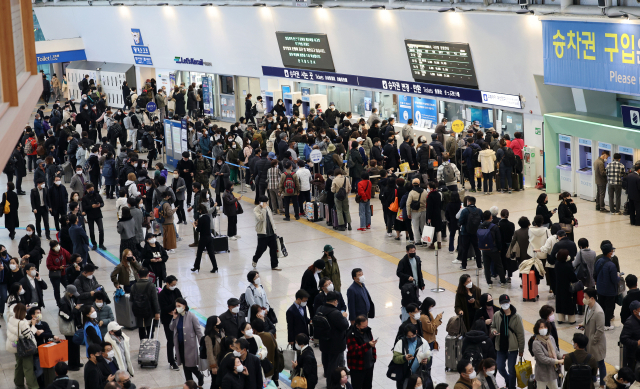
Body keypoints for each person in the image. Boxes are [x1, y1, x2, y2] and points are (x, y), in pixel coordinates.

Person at [490, 295, 525, 389]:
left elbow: (521, 334)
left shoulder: (516, 317)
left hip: (512, 348)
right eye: (503, 303)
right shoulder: (497, 315)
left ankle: (512, 387)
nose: (505, 305)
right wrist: (493, 331)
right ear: (500, 304)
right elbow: (493, 326)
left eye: (506, 302)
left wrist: (521, 349)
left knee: (511, 369)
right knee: (500, 367)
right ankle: (508, 379)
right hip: (500, 347)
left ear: (509, 302)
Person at [316, 291, 350, 386]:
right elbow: (345, 325)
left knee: (326, 362)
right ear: (335, 301)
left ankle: (328, 378)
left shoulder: (320, 309)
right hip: (335, 345)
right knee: (333, 365)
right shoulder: (335, 313)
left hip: (324, 342)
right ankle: (331, 384)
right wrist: (343, 317)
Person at [576, 287, 607, 387]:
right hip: (588, 339)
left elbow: (600, 330)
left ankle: (602, 384)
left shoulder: (599, 312)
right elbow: (587, 320)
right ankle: (593, 380)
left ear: (592, 298)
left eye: (586, 297)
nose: (583, 299)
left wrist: (593, 341)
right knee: (590, 361)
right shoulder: (587, 307)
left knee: (600, 362)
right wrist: (583, 325)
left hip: (596, 342)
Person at [170, 298, 205, 386]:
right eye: (176, 306)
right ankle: (190, 383)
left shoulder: (191, 316)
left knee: (190, 365)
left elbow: (198, 331)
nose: (177, 308)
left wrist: (202, 344)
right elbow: (171, 327)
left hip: (190, 345)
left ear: (184, 306)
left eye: (179, 306)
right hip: (180, 345)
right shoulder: (177, 316)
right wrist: (174, 318)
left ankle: (199, 375)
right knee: (185, 365)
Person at [6, 303, 39, 389]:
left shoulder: (11, 319)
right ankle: (33, 386)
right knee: (28, 367)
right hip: (25, 348)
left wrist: (29, 321)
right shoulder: (22, 324)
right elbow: (30, 335)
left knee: (19, 365)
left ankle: (18, 382)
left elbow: (21, 324)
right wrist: (34, 325)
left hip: (15, 346)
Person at [391, 323, 431, 389]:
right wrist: (404, 358)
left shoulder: (423, 342)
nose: (411, 338)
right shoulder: (400, 343)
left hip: (419, 374)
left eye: (413, 335)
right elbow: (395, 358)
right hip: (406, 375)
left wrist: (427, 360)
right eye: (408, 336)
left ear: (416, 332)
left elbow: (429, 355)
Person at [530, 319, 563, 389]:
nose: (543, 329)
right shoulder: (536, 343)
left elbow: (556, 351)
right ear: (537, 329)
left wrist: (562, 357)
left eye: (545, 327)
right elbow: (543, 359)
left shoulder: (550, 338)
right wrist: (558, 361)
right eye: (541, 327)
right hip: (542, 373)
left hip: (552, 371)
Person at [593, 243, 620, 329]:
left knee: (601, 306)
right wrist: (618, 277)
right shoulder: (611, 265)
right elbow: (614, 280)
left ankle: (600, 323)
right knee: (609, 307)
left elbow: (595, 274)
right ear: (609, 253)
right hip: (609, 290)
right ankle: (607, 324)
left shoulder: (598, 261)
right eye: (612, 250)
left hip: (600, 289)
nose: (612, 252)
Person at [346, 315, 377, 389]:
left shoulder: (368, 331)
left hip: (369, 365)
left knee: (368, 386)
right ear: (357, 326)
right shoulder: (351, 335)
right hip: (357, 368)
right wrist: (368, 345)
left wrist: (373, 357)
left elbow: (372, 345)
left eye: (366, 325)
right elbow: (355, 351)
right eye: (363, 326)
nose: (365, 327)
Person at [251, 196, 280, 271]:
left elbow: (271, 220)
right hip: (262, 233)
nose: (266, 204)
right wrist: (263, 209)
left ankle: (274, 265)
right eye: (264, 202)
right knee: (261, 249)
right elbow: (262, 218)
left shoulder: (268, 208)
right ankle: (255, 259)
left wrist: (274, 229)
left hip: (271, 233)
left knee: (273, 249)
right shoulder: (256, 209)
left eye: (266, 202)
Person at [397, 244, 425, 319]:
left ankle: (415, 316)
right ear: (407, 252)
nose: (413, 252)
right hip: (407, 287)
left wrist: (422, 283)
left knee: (416, 300)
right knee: (407, 302)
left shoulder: (417, 259)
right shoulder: (403, 262)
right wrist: (407, 277)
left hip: (415, 286)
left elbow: (419, 272)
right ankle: (405, 317)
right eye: (411, 251)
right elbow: (398, 273)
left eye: (414, 251)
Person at [478, 210, 506, 288]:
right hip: (493, 249)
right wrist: (499, 249)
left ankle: (489, 282)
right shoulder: (494, 226)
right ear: (491, 217)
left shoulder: (480, 226)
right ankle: (503, 281)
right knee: (499, 265)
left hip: (484, 249)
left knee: (486, 266)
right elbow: (498, 239)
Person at [457, 196, 483, 270]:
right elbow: (482, 220)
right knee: (477, 249)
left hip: (465, 233)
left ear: (469, 202)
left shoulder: (465, 211)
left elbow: (460, 221)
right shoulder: (479, 211)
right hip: (476, 233)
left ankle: (464, 266)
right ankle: (479, 265)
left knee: (465, 249)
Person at [191, 204, 218, 273]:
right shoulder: (207, 217)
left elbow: (198, 230)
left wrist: (194, 226)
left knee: (199, 253)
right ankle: (215, 267)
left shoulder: (201, 219)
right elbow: (204, 226)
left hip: (203, 238)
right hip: (209, 237)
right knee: (211, 253)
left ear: (200, 211)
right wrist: (198, 223)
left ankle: (196, 266)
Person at [554, 249, 578, 324]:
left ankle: (560, 319)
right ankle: (571, 320)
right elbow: (573, 278)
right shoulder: (567, 266)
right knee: (569, 303)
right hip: (568, 288)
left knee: (560, 302)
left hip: (559, 287)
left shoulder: (557, 264)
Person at [82, 183, 106, 251]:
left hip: (98, 215)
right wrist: (91, 206)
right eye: (90, 189)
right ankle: (94, 244)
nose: (91, 190)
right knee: (91, 231)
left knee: (101, 229)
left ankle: (101, 244)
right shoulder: (85, 198)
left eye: (92, 189)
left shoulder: (97, 195)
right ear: (87, 190)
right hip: (90, 216)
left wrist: (99, 205)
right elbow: (84, 207)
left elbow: (102, 203)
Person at [420, 297, 443, 368]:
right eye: (431, 306)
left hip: (431, 340)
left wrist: (436, 319)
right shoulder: (423, 317)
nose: (432, 308)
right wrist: (438, 319)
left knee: (430, 360)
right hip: (427, 341)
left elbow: (433, 324)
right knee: (427, 362)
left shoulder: (429, 314)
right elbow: (431, 329)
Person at [46, 240, 69, 307]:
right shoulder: (50, 256)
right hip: (55, 275)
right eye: (55, 246)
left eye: (57, 245)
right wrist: (58, 267)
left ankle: (69, 300)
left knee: (68, 287)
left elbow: (69, 257)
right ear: (52, 247)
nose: (57, 247)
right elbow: (49, 266)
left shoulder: (63, 251)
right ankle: (59, 303)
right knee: (56, 290)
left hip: (63, 274)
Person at [621, 300, 640, 370]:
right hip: (633, 355)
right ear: (635, 312)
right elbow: (623, 339)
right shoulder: (630, 323)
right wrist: (636, 343)